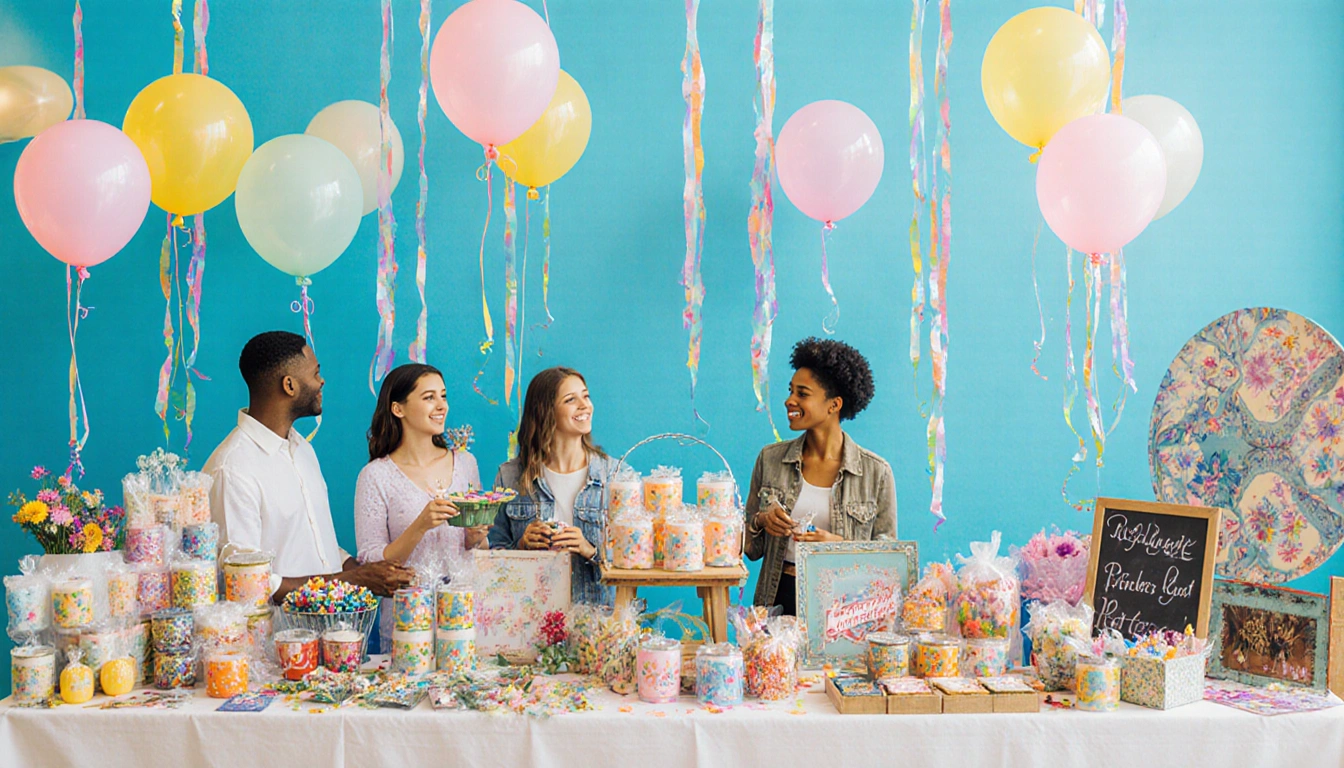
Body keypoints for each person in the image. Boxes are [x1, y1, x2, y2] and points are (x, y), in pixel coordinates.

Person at [204, 330, 414, 604]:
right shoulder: (232, 469)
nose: (322, 381)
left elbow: (316, 541)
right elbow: (248, 581)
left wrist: (364, 572)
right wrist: (354, 581)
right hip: (276, 642)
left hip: (326, 635)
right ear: (289, 386)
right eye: (316, 374)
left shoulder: (301, 449)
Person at [744, 337, 897, 616]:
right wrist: (762, 521)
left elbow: (887, 563)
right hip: (778, 597)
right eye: (791, 391)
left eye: (802, 394)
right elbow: (750, 549)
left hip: (844, 604)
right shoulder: (770, 459)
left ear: (833, 405)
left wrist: (841, 549)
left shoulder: (876, 472)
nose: (789, 400)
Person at [354, 362, 485, 648]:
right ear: (397, 409)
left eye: (444, 396)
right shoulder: (375, 476)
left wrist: (475, 539)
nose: (442, 406)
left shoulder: (465, 464)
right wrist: (421, 525)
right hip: (408, 626)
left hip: (465, 621)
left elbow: (478, 551)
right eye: (429, 397)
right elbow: (373, 563)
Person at [487, 367, 614, 605]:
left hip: (598, 629)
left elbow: (635, 561)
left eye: (585, 396)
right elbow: (490, 561)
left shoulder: (615, 477)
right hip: (529, 625)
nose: (585, 405)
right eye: (570, 400)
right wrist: (522, 546)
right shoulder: (510, 477)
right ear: (546, 412)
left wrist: (590, 550)